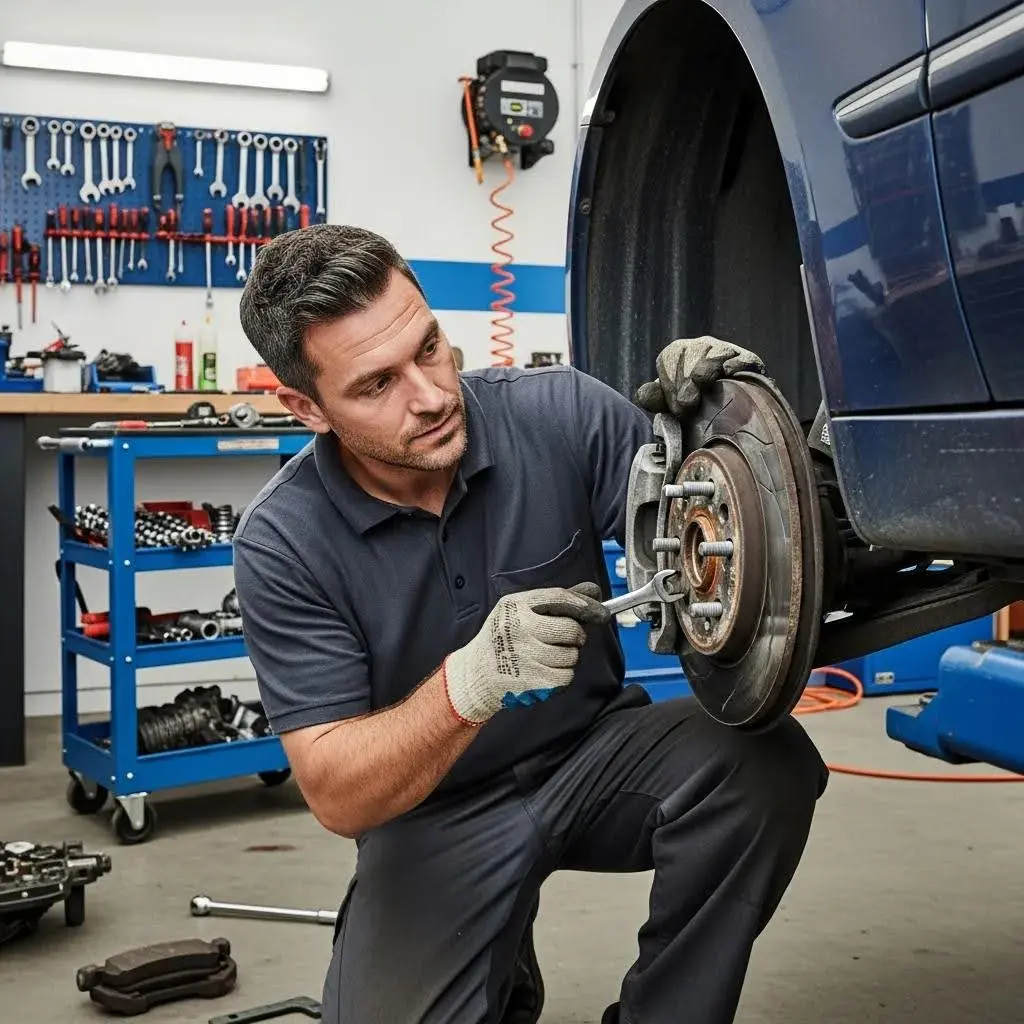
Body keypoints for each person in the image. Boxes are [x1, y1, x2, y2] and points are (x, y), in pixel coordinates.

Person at [233, 224, 829, 1024]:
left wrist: (732, 424)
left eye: (431, 347)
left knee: (764, 764)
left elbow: (708, 518)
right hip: (434, 812)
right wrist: (467, 685)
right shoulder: (283, 542)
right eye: (377, 385)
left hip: (593, 755)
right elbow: (337, 793)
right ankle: (495, 966)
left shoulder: (560, 413)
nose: (433, 395)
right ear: (306, 407)